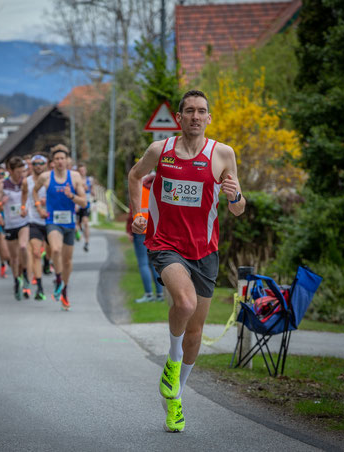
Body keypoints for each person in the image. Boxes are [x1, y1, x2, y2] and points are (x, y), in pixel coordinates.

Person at [128, 90, 245, 433]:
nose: (195, 116)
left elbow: (237, 208)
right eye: (189, 111)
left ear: (209, 118)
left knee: (196, 331)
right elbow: (136, 176)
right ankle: (172, 360)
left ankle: (176, 395)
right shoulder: (160, 151)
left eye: (202, 111)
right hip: (165, 244)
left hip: (205, 251)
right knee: (185, 302)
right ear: (179, 118)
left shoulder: (223, 154)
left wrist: (235, 196)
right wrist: (139, 214)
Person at [32, 145, 87, 310]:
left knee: (67, 260)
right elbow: (34, 192)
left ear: (67, 160)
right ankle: (57, 278)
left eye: (63, 158)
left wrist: (72, 196)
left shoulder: (75, 177)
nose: (60, 161)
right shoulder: (45, 177)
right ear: (52, 162)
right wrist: (39, 208)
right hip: (53, 222)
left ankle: (64, 289)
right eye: (57, 159)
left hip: (69, 223)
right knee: (55, 250)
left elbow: (84, 202)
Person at [0, 156, 30, 301]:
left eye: (23, 171)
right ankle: (16, 281)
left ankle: (26, 273)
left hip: (23, 222)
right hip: (9, 224)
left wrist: (23, 207)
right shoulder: (3, 185)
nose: (21, 174)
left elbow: (26, 196)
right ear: (10, 171)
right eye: (18, 172)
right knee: (14, 259)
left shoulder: (24, 182)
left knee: (23, 246)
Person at [126, 172, 164, 303]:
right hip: (156, 231)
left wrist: (129, 230)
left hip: (141, 229)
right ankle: (160, 294)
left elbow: (133, 211)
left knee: (143, 263)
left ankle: (148, 294)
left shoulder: (139, 187)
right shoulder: (160, 187)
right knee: (155, 264)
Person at [26, 154, 49, 301]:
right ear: (32, 165)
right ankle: (39, 287)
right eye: (36, 163)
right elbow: (23, 198)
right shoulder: (26, 182)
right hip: (33, 219)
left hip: (50, 220)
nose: (38, 166)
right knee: (35, 253)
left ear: (45, 165)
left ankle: (47, 262)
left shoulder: (50, 180)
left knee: (53, 251)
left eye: (41, 163)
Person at [76, 162, 94, 252]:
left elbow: (93, 192)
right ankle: (78, 232)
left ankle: (87, 242)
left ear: (86, 171)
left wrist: (89, 189)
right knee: (77, 224)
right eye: (80, 170)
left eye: (83, 170)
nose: (82, 172)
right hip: (77, 205)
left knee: (86, 222)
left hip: (86, 204)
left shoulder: (89, 180)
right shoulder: (75, 180)